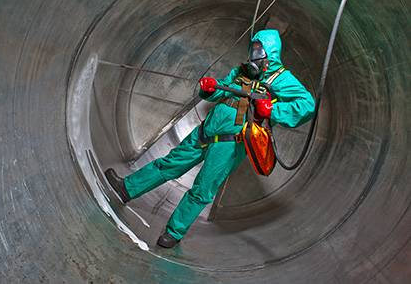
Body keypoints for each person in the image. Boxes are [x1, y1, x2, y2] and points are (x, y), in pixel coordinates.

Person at [105, 29, 315, 248]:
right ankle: (127, 188)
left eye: (258, 49)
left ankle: (174, 232)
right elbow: (221, 91)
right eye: (252, 49)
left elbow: (307, 106)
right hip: (207, 130)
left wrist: (272, 109)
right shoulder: (241, 72)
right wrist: (208, 89)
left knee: (203, 189)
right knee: (170, 163)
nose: (253, 53)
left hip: (232, 143)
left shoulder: (283, 79)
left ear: (270, 52)